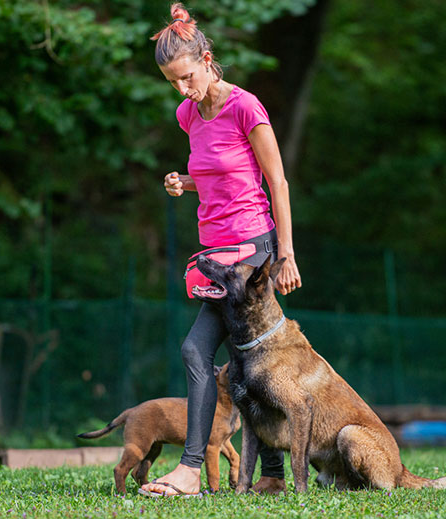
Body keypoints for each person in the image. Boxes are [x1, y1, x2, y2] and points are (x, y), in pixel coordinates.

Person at [139, 3, 302, 497]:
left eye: (186, 77)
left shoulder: (245, 106)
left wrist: (287, 254)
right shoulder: (188, 114)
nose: (182, 90)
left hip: (253, 248)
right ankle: (270, 475)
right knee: (240, 358)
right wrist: (183, 183)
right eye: (172, 82)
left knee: (207, 350)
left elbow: (275, 181)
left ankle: (192, 469)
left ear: (207, 59)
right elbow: (216, 178)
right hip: (214, 251)